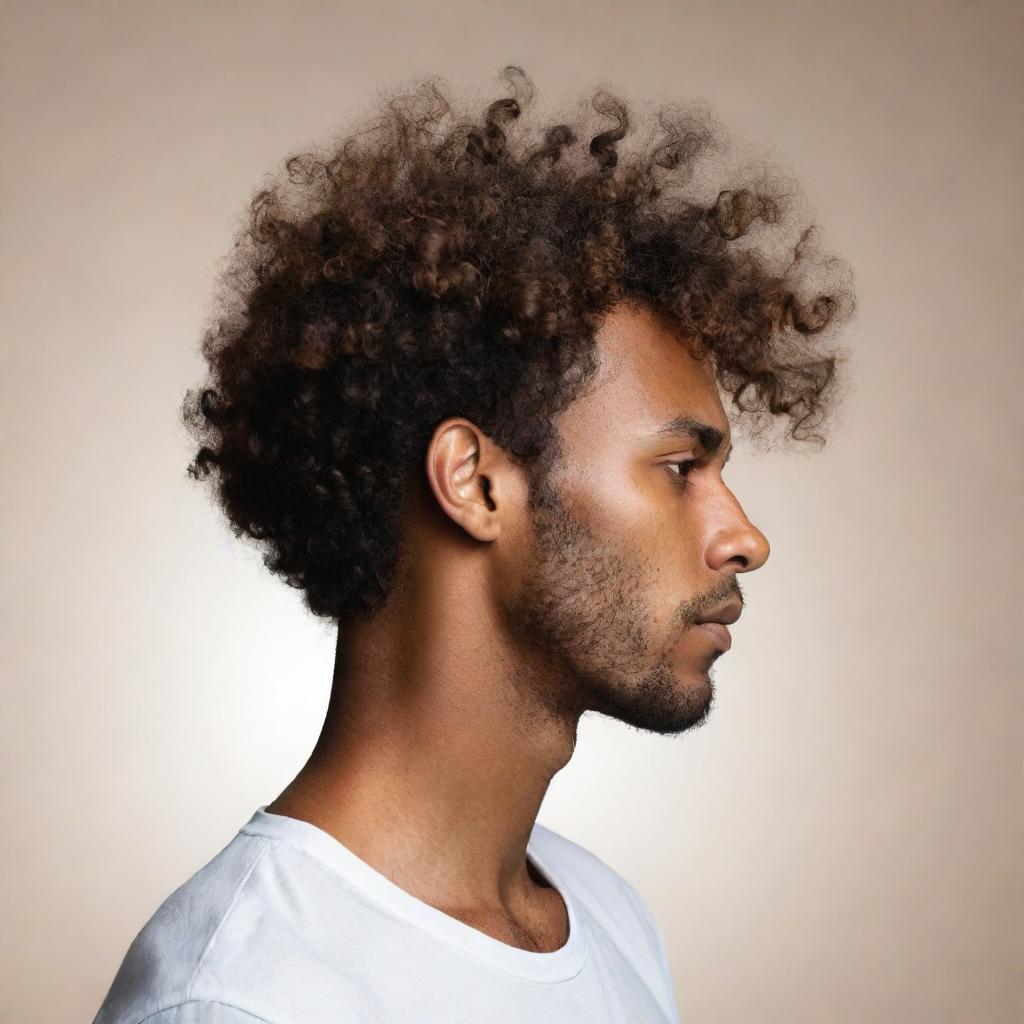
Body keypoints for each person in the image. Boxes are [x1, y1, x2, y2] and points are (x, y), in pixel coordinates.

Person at [93, 65, 851, 1024]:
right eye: (677, 470)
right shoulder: (246, 1000)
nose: (744, 539)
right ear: (475, 482)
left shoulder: (606, 918)